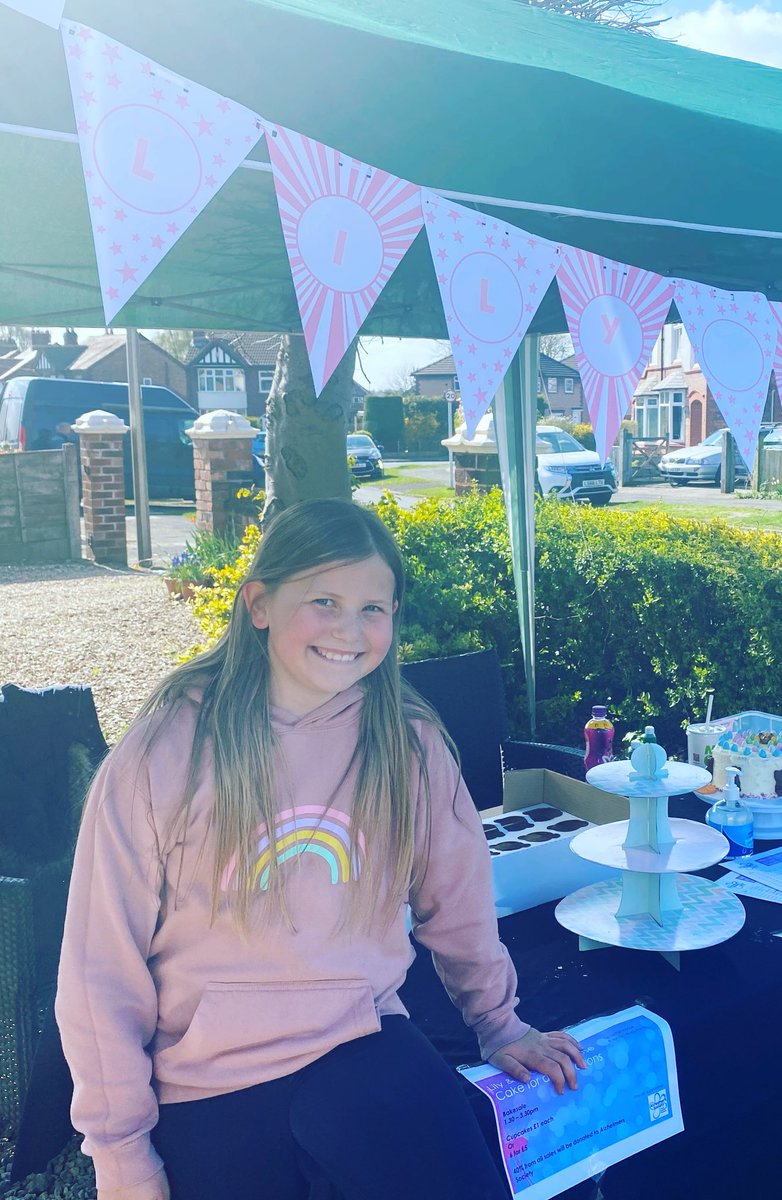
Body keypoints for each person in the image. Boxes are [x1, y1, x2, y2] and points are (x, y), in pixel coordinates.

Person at [57, 498, 586, 1200]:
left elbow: (459, 905)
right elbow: (100, 968)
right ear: (259, 604)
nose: (350, 629)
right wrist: (120, 1154)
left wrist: (498, 1023)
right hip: (208, 1080)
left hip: (362, 1045)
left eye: (375, 608)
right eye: (325, 600)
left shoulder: (409, 744)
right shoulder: (163, 753)